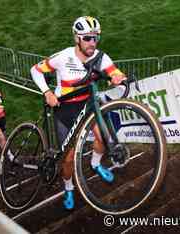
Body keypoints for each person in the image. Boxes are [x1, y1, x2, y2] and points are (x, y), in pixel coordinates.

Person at [30, 16, 127, 210]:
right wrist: (47, 92)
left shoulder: (100, 57)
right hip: (64, 109)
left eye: (95, 38)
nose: (92, 42)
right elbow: (35, 70)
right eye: (87, 38)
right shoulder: (64, 57)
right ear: (77, 38)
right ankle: (68, 187)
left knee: (103, 138)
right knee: (69, 158)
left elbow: (114, 72)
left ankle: (95, 164)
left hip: (87, 105)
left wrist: (118, 77)